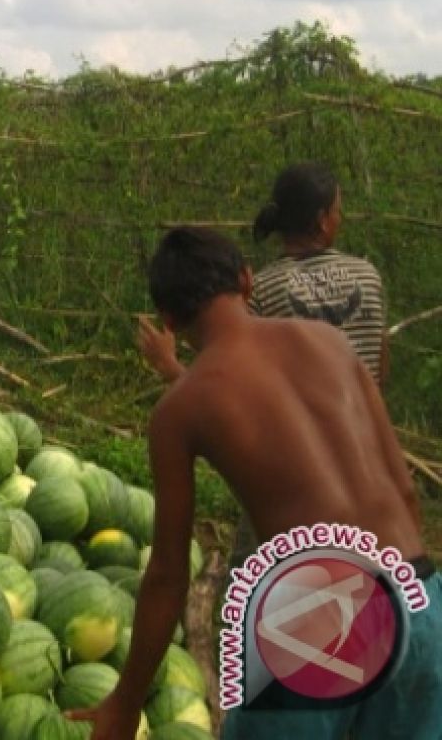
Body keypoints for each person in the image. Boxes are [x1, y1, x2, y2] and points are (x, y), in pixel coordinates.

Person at [73, 227, 439, 739]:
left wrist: (125, 700)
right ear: (247, 280)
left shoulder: (179, 409)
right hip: (419, 598)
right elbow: (403, 490)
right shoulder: (333, 344)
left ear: (170, 320)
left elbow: (168, 574)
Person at [137, 162, 391, 567]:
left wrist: (171, 367)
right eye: (339, 209)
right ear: (324, 221)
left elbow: (233, 391)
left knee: (257, 589)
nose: (340, 217)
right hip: (369, 465)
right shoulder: (369, 276)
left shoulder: (266, 287)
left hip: (292, 480)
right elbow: (379, 368)